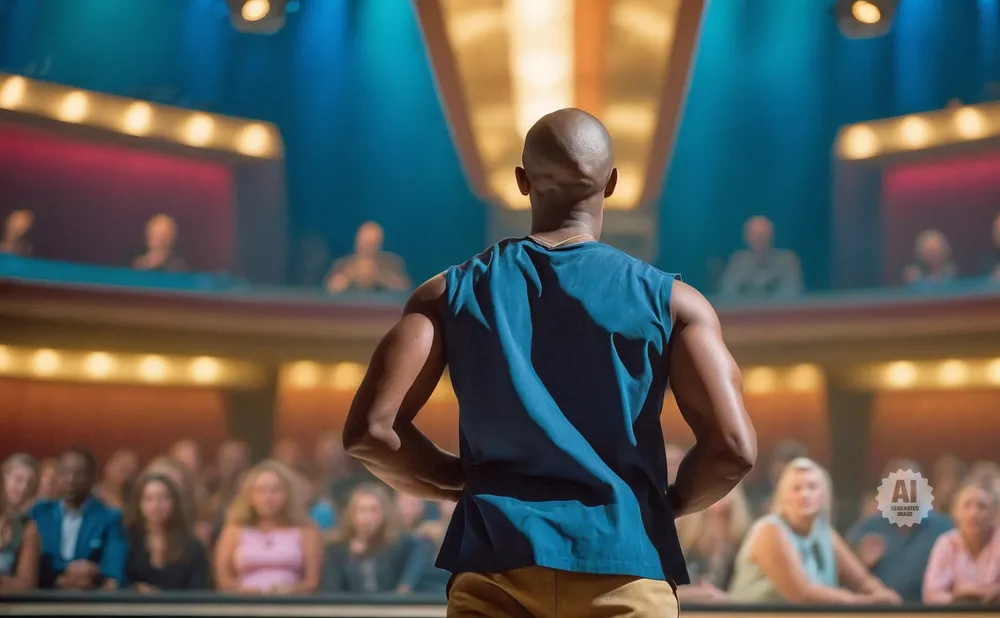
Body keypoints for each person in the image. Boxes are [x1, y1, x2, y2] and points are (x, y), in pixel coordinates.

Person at [342, 108, 757, 617]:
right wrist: (653, 507)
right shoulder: (675, 303)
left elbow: (370, 432)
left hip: (495, 567)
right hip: (626, 570)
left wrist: (463, 482)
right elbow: (733, 449)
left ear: (521, 182)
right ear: (612, 184)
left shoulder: (447, 294)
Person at [728, 458, 900, 604]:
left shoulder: (824, 533)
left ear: (825, 495)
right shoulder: (769, 530)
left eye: (812, 487)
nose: (804, 494)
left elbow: (862, 581)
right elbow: (803, 594)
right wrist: (866, 603)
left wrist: (885, 596)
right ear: (782, 497)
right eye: (796, 488)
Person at [847, 459, 953, 603]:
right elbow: (846, 578)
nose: (904, 494)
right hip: (880, 612)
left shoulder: (943, 529)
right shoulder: (866, 529)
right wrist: (860, 560)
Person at [214, 460, 322, 594]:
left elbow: (312, 582)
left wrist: (291, 590)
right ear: (250, 495)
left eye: (275, 490)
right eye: (261, 490)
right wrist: (242, 590)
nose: (268, 497)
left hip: (291, 605)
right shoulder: (234, 529)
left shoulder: (306, 530)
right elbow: (223, 579)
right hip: (244, 604)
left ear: (288, 494)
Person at [29, 449, 127, 589]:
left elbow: (113, 568)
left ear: (93, 477)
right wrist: (65, 571)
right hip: (41, 596)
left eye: (79, 473)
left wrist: (95, 574)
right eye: (65, 472)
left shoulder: (110, 518)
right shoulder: (39, 513)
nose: (71, 479)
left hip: (91, 598)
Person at [322, 484, 429, 593]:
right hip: (350, 608)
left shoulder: (396, 545)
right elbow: (332, 590)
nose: (367, 516)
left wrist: (405, 586)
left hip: (388, 606)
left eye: (374, 510)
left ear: (383, 514)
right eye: (362, 510)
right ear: (352, 514)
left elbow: (422, 547)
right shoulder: (336, 549)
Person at [124, 473, 208, 591]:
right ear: (139, 504)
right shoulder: (128, 541)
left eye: (163, 498)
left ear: (174, 502)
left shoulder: (192, 547)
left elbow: (198, 590)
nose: (156, 505)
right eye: (149, 499)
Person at [923, 481, 1000, 604]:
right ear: (956, 513)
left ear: (995, 514)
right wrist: (957, 598)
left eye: (982, 506)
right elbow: (931, 594)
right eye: (966, 506)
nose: (973, 513)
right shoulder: (946, 542)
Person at [718, 216, 803, 299]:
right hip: (747, 311)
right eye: (755, 236)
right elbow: (727, 294)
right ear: (746, 238)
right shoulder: (737, 262)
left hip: (778, 311)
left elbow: (793, 292)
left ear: (771, 236)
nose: (760, 241)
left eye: (764, 236)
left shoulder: (787, 261)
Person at [325, 222, 411, 293]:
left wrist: (379, 276)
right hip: (349, 310)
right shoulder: (343, 264)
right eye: (366, 243)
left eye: (373, 243)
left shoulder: (392, 262)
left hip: (381, 309)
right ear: (357, 242)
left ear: (380, 244)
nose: (368, 247)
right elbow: (330, 290)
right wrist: (351, 274)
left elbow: (404, 289)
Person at [0, 464, 40, 592]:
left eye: (29, 484)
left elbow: (26, 584)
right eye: (18, 479)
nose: (23, 488)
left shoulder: (26, 528)